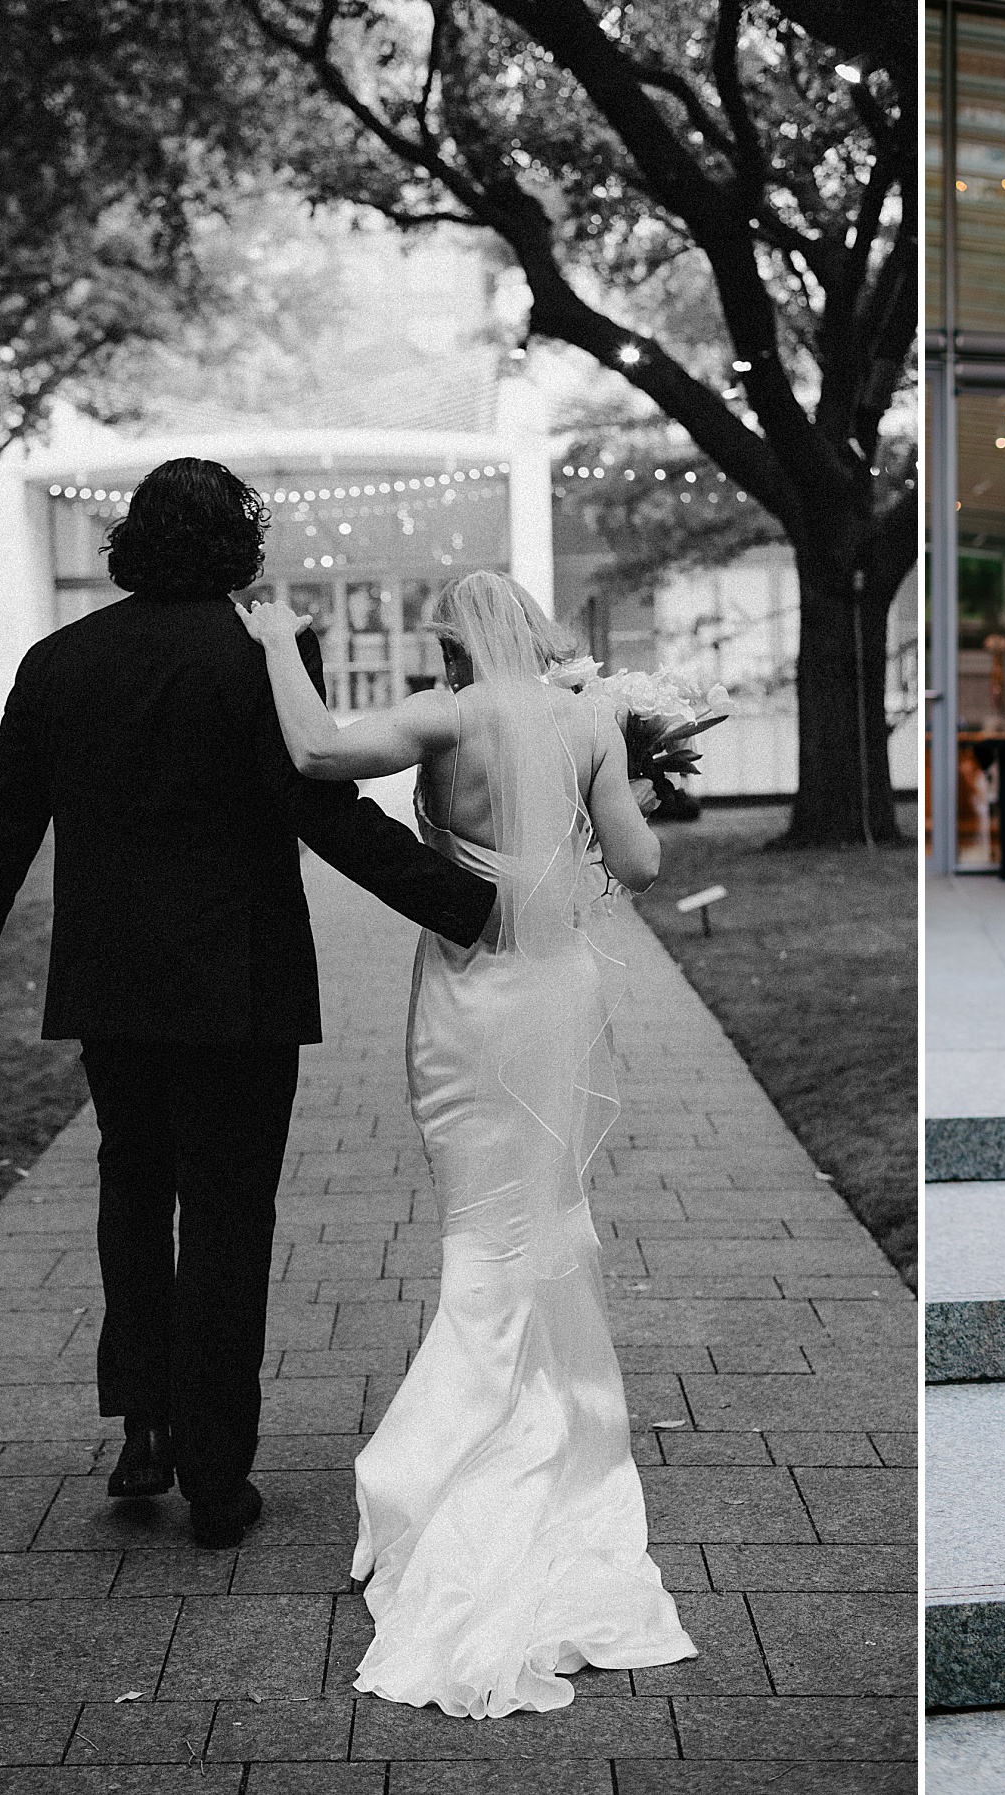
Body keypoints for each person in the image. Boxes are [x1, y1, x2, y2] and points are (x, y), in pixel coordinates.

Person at [0, 458, 497, 1550]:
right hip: (242, 983)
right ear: (239, 541)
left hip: (110, 984)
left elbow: (4, 827)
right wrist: (469, 903)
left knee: (133, 1190)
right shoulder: (262, 656)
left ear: (134, 540)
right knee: (230, 1214)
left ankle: (145, 1423)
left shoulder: (58, 662)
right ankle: (217, 1476)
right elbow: (323, 813)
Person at [238, 569, 696, 1716]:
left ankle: (449, 1451)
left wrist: (279, 638)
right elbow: (641, 866)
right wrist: (614, 788)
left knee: (479, 1223)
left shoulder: (445, 717)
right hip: (557, 988)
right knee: (546, 1210)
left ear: (453, 644)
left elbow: (316, 750)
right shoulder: (589, 722)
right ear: (539, 635)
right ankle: (556, 1416)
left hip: (467, 992)